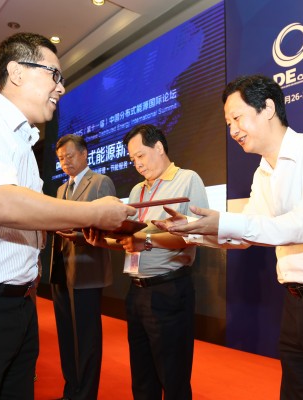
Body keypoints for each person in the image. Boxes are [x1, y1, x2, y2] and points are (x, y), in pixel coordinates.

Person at [0, 32, 135, 400]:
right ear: (16, 72)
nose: (61, 87)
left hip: (14, 306)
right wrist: (95, 211)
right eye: (54, 75)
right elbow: (0, 205)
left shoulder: (22, 144)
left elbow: (29, 217)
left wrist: (85, 224)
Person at [153, 74, 303, 400]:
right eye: (228, 123)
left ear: (268, 108)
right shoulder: (262, 172)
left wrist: (223, 223)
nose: (233, 131)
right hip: (296, 306)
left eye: (237, 118)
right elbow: (246, 234)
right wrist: (194, 230)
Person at [84, 124, 209, 400]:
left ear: (159, 147)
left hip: (169, 291)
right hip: (136, 292)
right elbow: (132, 241)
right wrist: (102, 241)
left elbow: (196, 236)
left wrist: (148, 240)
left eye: (140, 155)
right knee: (142, 378)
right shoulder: (137, 190)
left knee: (173, 379)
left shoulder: (188, 179)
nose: (137, 164)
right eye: (132, 159)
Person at [50, 134, 116, 400]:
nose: (65, 162)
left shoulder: (100, 182)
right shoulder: (60, 189)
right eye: (60, 159)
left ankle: (86, 395)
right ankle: (71, 391)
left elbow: (111, 226)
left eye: (69, 156)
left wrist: (78, 235)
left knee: (87, 340)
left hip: (87, 270)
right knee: (66, 336)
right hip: (61, 270)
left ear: (84, 153)